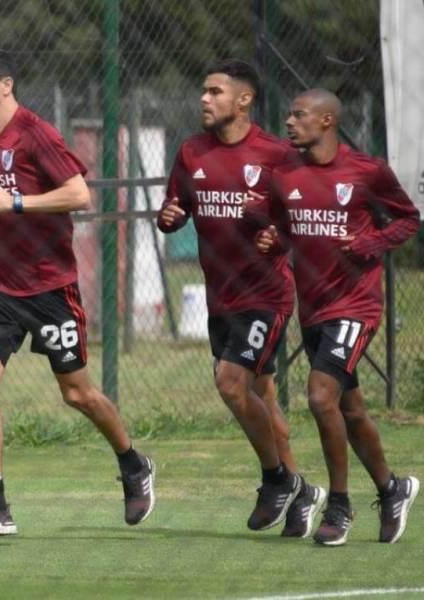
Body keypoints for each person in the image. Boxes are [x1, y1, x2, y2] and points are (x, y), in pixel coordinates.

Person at [0, 49, 154, 536]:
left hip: (49, 289)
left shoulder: (36, 133)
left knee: (77, 393)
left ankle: (132, 463)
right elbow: (3, 204)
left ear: (6, 84)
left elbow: (79, 194)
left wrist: (14, 203)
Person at [157, 59, 324, 537]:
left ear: (243, 100)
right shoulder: (191, 152)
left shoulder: (277, 154)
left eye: (214, 92)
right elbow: (177, 209)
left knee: (232, 384)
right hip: (220, 298)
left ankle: (277, 479)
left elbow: (307, 214)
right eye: (203, 91)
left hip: (265, 294)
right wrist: (169, 217)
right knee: (263, 398)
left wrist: (283, 238)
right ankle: (303, 490)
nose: (204, 99)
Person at [256, 88, 420, 546]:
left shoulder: (367, 171)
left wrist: (372, 245)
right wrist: (275, 240)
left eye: (299, 115)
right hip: (313, 308)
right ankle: (392, 489)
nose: (289, 122)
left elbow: (408, 219)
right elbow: (282, 226)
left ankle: (340, 507)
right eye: (288, 114)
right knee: (349, 409)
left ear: (327, 121)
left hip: (356, 305)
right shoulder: (283, 173)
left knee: (320, 397)